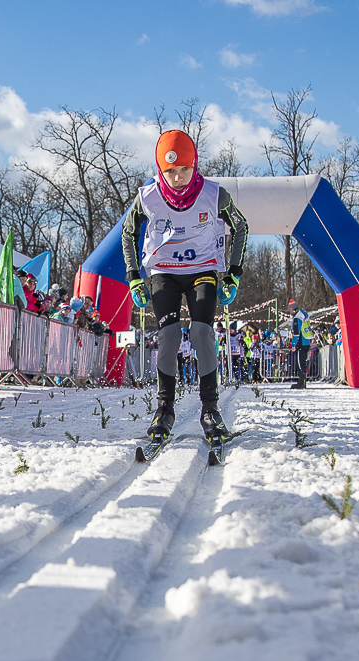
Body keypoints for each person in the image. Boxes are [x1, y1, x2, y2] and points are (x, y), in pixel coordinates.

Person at [122, 129, 249, 441]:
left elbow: (241, 226)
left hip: (202, 270)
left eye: (184, 170)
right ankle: (164, 409)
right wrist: (134, 277)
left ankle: (210, 409)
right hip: (163, 272)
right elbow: (128, 233)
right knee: (168, 335)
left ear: (195, 166)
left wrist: (233, 273)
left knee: (202, 331)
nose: (178, 178)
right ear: (160, 170)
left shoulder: (215, 195)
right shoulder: (147, 198)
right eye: (170, 172)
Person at [289, 299, 313, 388]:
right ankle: (303, 382)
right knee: (303, 361)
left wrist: (294, 344)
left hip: (301, 342)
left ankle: (301, 383)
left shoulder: (297, 317)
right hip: (306, 340)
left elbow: (296, 332)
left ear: (292, 309)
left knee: (300, 362)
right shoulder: (303, 313)